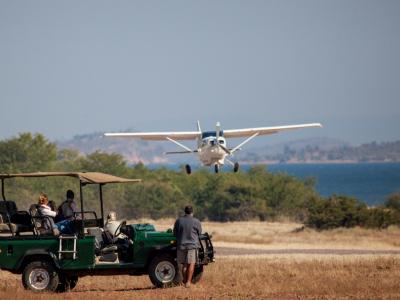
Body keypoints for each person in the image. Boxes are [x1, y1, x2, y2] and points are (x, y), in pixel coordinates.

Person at [173, 205, 202, 288]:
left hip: (181, 246)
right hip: (192, 246)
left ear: (185, 212)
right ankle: (188, 282)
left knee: (184, 264)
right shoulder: (196, 221)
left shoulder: (179, 221)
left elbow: (175, 233)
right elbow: (199, 233)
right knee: (191, 264)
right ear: (192, 212)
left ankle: (184, 281)